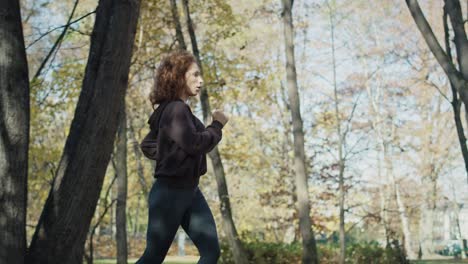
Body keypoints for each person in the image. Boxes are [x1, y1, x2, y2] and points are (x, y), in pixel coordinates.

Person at [135, 50, 228, 264]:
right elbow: (195, 143)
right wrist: (217, 125)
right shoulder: (176, 109)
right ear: (178, 76)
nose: (201, 80)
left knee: (211, 251)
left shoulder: (177, 111)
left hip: (190, 191)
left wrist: (172, 153)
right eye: (195, 75)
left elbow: (149, 144)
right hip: (170, 192)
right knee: (153, 257)